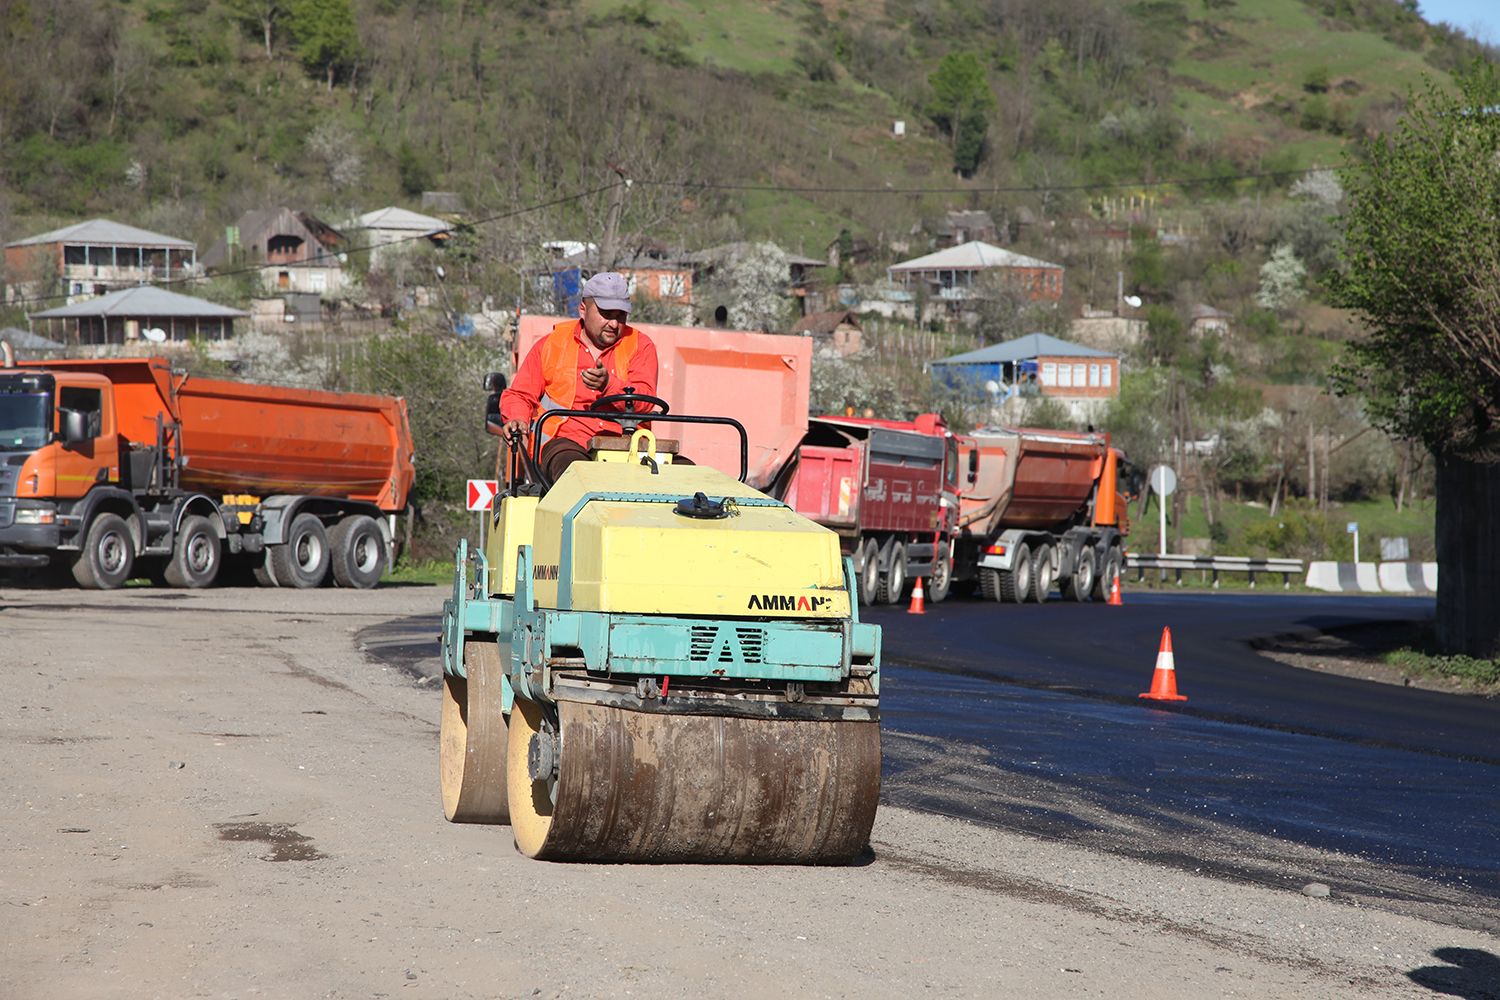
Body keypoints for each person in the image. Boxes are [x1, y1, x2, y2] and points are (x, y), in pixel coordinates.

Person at [500, 272, 659, 483]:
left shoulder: (641, 346)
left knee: (687, 475)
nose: (614, 323)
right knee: (575, 473)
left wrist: (609, 385)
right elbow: (520, 394)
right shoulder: (551, 345)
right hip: (565, 445)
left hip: (629, 449)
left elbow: (645, 400)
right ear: (582, 310)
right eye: (606, 314)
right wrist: (517, 419)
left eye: (621, 315)